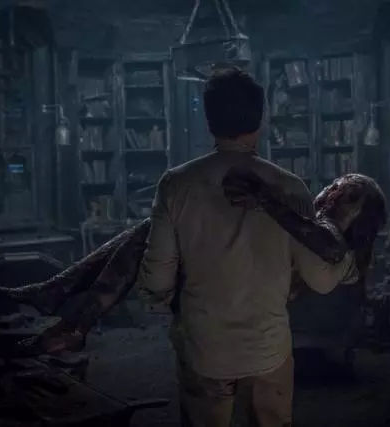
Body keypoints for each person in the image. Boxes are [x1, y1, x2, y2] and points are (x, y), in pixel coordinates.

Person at [135, 68, 362, 427]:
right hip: (267, 347)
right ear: (262, 119)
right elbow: (320, 280)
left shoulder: (176, 184)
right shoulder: (290, 186)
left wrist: (169, 304)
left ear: (209, 120)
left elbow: (157, 277)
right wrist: (347, 263)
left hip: (204, 346)